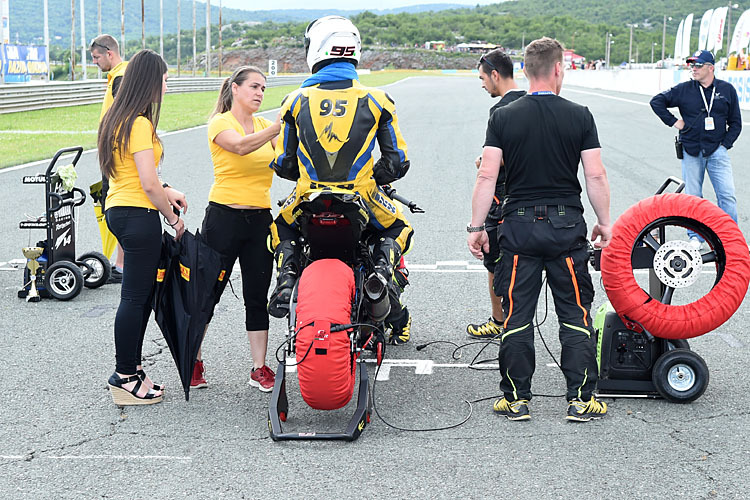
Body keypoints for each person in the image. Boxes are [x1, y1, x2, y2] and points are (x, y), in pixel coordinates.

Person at [468, 37, 611, 422]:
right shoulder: (580, 114)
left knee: (516, 316)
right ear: (558, 69)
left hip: (519, 228)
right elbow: (594, 173)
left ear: (528, 71)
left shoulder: (503, 116)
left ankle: (516, 399)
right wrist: (604, 221)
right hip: (567, 227)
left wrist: (477, 227)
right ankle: (580, 400)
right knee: (575, 314)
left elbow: (486, 175)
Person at [268, 15, 413, 345]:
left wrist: (303, 172)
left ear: (316, 49)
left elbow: (283, 163)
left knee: (281, 227)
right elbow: (398, 161)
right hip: (363, 196)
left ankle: (288, 275)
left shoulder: (294, 100)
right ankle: (380, 273)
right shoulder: (377, 99)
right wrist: (375, 177)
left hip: (307, 196)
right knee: (399, 228)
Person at [98, 49, 187, 406]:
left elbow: (139, 178)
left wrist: (168, 191)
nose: (166, 86)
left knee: (141, 297)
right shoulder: (138, 123)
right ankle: (124, 375)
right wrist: (174, 217)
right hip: (138, 214)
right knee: (136, 298)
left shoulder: (116, 118)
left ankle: (132, 370)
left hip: (121, 209)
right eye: (164, 79)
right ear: (151, 80)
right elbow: (148, 184)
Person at [193, 66, 280, 392]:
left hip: (259, 220)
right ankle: (194, 360)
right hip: (223, 219)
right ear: (235, 89)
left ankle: (259, 368)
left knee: (257, 297)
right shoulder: (221, 123)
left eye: (263, 88)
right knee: (207, 295)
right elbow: (241, 147)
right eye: (254, 86)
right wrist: (276, 129)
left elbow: (288, 160)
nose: (259, 93)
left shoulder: (262, 125)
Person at [650, 49, 741, 248]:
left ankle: (730, 239)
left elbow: (736, 123)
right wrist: (674, 122)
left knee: (727, 195)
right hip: (691, 150)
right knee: (693, 196)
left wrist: (725, 146)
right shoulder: (684, 89)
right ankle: (695, 237)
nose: (694, 69)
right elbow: (656, 101)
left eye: (698, 65)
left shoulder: (726, 90)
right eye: (692, 65)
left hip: (717, 150)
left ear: (711, 68)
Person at [466, 48, 526, 340]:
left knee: (494, 262)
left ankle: (499, 321)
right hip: (531, 199)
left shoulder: (501, 110)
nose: (482, 85)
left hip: (503, 200)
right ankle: (518, 322)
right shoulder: (531, 101)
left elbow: (499, 158)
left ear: (494, 74)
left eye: (482, 78)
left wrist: (483, 161)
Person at [90, 34, 128, 284]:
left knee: (115, 207)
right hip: (113, 152)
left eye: (96, 57)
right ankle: (121, 264)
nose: (94, 62)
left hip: (116, 154)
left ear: (109, 53)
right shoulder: (116, 76)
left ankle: (123, 265)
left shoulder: (122, 77)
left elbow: (122, 117)